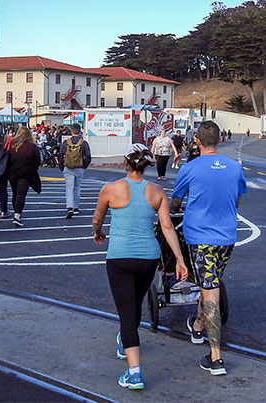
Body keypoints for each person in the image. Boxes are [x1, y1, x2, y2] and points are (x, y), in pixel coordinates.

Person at [92, 143, 188, 391]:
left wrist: (98, 232)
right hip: (148, 258)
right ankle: (125, 340)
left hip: (120, 258)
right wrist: (179, 259)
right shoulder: (156, 191)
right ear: (146, 166)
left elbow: (97, 218)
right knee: (134, 304)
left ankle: (134, 371)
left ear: (125, 163)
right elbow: (167, 227)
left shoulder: (110, 189)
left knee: (126, 312)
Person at [170, 121, 246, 376]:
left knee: (210, 290)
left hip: (201, 236)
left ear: (197, 142)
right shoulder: (234, 167)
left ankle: (215, 357)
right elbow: (237, 199)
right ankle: (199, 325)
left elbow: (175, 202)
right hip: (226, 236)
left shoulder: (190, 168)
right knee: (209, 282)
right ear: (220, 141)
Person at [6, 127, 42, 227]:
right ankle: (17, 215)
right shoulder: (32, 146)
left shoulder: (11, 144)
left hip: (12, 172)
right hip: (26, 173)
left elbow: (7, 158)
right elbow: (37, 160)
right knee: (21, 194)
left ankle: (16, 212)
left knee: (15, 193)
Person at [59, 124, 91, 219]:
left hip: (68, 167)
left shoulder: (66, 142)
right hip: (79, 167)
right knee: (77, 187)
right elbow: (88, 156)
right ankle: (76, 207)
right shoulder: (83, 143)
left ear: (71, 131)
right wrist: (84, 166)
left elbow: (61, 155)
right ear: (80, 131)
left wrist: (61, 166)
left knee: (69, 187)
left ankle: (70, 207)